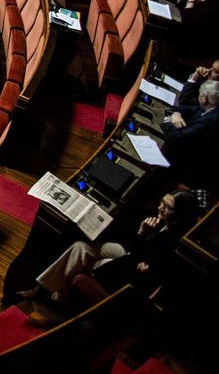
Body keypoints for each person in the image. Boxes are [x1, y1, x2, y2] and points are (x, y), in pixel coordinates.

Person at [24, 190, 198, 305]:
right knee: (81, 247)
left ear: (179, 216)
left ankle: (55, 294)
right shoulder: (161, 221)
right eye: (162, 202)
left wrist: (142, 233)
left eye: (168, 207)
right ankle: (48, 289)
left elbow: (141, 262)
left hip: (131, 271)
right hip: (131, 252)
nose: (160, 207)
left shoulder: (171, 241)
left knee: (88, 260)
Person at [162, 79, 219, 186]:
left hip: (192, 172)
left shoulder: (209, 122)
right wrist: (174, 114)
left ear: (204, 98)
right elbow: (183, 108)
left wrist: (168, 119)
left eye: (200, 94)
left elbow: (175, 138)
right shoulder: (210, 108)